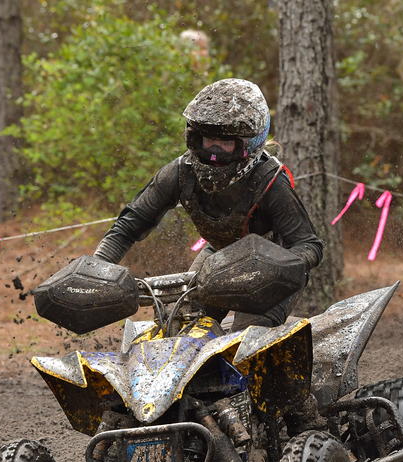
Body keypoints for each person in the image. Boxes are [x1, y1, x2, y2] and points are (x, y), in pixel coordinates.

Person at [94, 77, 323, 330]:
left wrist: (283, 266)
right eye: (208, 141)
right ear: (194, 138)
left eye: (225, 143)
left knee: (247, 336)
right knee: (179, 324)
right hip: (219, 255)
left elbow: (308, 243)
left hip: (272, 263)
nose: (214, 152)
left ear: (250, 143)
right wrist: (96, 269)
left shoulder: (270, 182)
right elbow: (129, 225)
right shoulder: (180, 172)